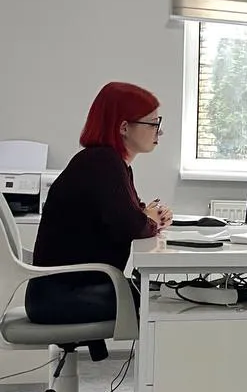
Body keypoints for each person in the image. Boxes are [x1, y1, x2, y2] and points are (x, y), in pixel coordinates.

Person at [26, 82, 173, 326]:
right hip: (63, 296)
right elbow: (131, 225)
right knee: (168, 302)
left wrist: (147, 216)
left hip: (68, 290)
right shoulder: (102, 163)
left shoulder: (110, 163)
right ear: (124, 127)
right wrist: (150, 219)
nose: (160, 132)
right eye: (153, 124)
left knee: (164, 294)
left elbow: (129, 214)